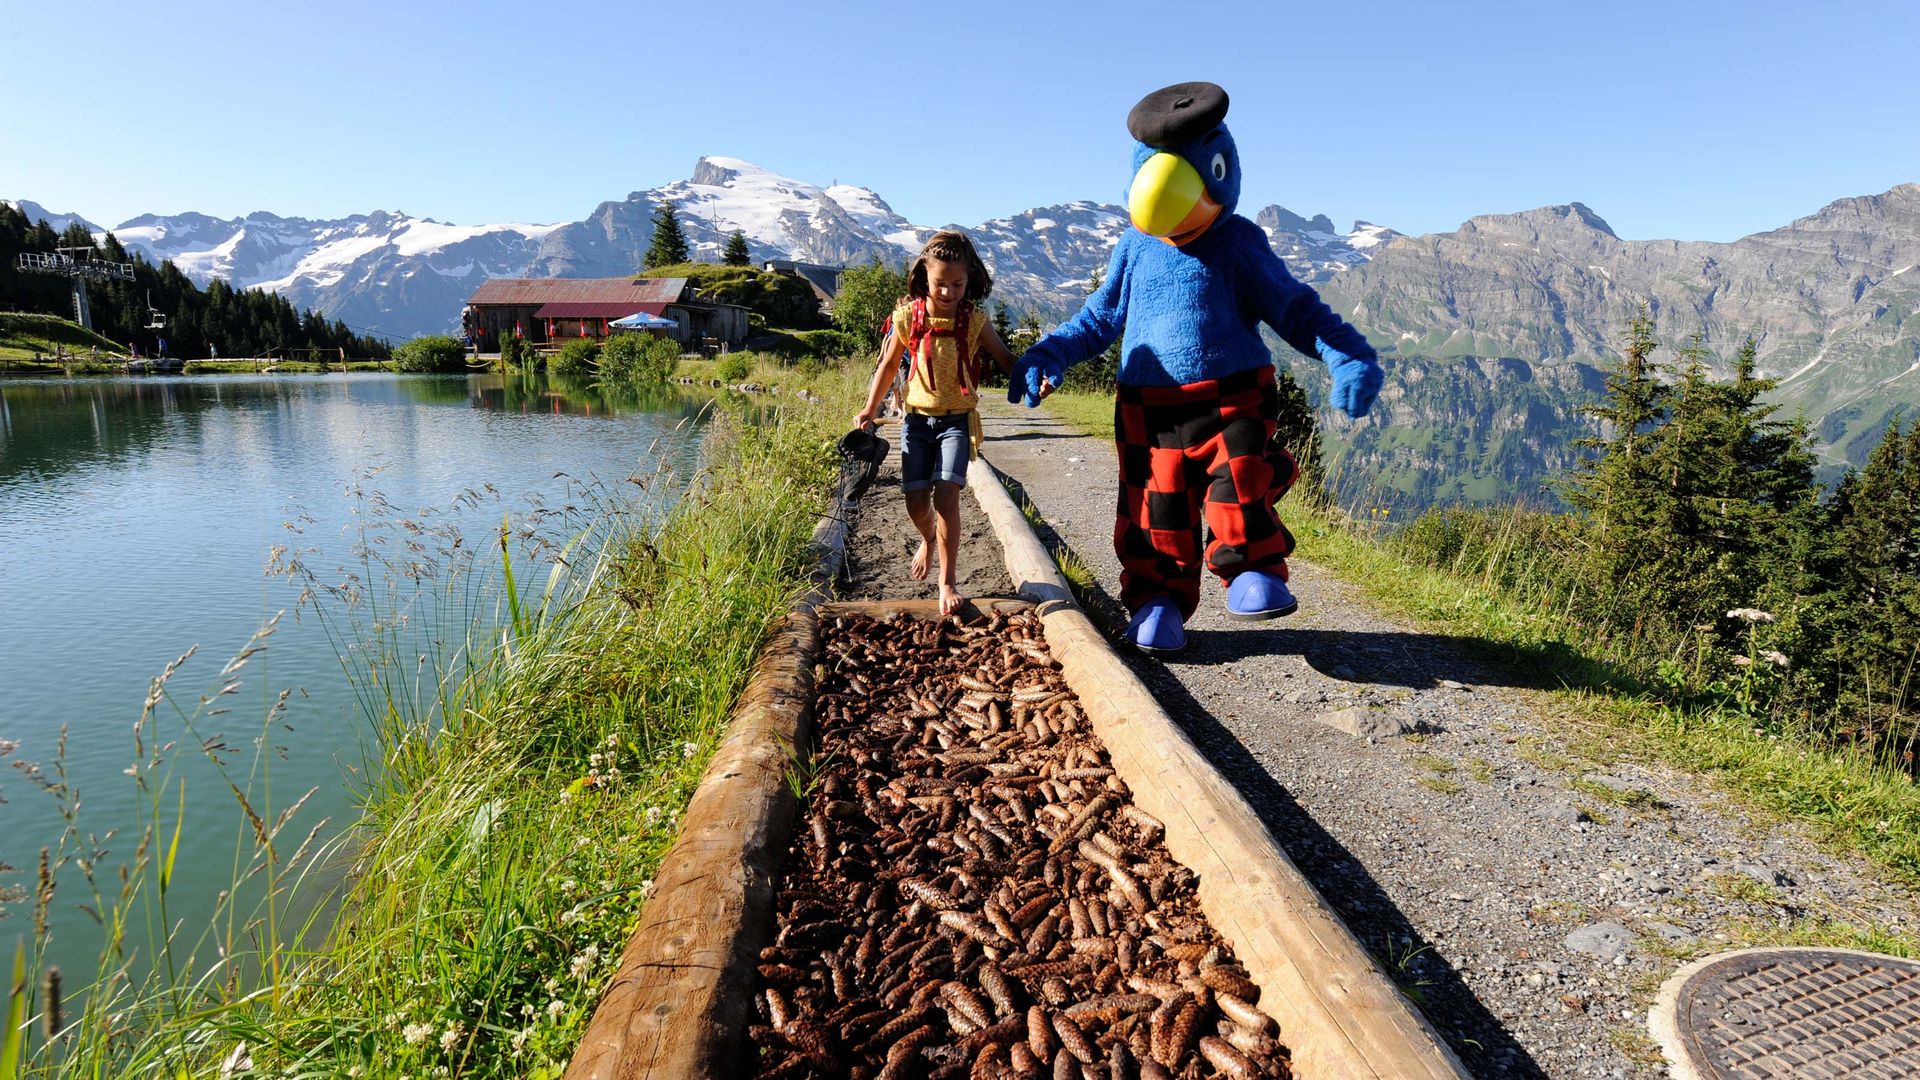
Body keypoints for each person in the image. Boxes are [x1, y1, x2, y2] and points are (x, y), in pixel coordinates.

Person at [1011, 81, 1384, 655]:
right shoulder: (1135, 246)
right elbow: (1098, 317)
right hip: (1147, 407)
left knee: (1238, 482)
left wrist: (1345, 351)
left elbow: (1293, 307)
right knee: (1153, 506)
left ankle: (1251, 570)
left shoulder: (1238, 241)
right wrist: (1047, 352)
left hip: (1232, 397)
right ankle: (1157, 599)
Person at [853, 230, 1019, 616]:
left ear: (969, 279)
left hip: (956, 421)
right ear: (923, 279)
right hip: (916, 422)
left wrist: (1032, 378)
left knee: (947, 498)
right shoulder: (908, 318)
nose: (948, 292)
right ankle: (927, 538)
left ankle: (947, 582)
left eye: (957, 284)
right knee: (916, 503)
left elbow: (1006, 358)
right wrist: (868, 407)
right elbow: (890, 364)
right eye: (940, 283)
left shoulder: (973, 319)